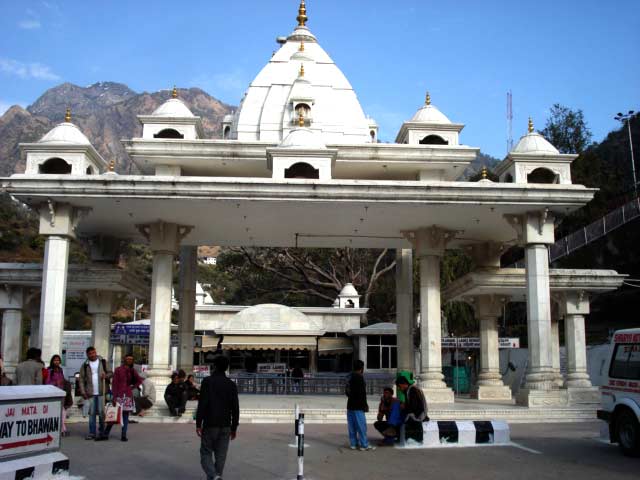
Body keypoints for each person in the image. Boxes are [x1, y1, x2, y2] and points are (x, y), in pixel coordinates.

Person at [196, 355, 239, 480]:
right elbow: (235, 408)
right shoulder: (231, 385)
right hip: (226, 424)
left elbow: (202, 404)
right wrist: (234, 427)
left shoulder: (207, 382)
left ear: (214, 366)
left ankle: (214, 476)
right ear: (226, 368)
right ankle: (216, 476)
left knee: (205, 453)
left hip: (210, 423)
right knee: (221, 455)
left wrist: (198, 423)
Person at [104, 354, 143, 441]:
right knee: (114, 414)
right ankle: (106, 433)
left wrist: (132, 387)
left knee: (125, 416)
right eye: (128, 359)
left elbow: (139, 380)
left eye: (131, 359)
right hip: (118, 395)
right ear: (124, 359)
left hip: (128, 396)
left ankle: (123, 435)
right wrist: (114, 397)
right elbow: (114, 384)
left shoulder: (133, 371)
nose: (129, 360)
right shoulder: (118, 370)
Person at [78, 346, 112, 441]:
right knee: (92, 413)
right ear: (87, 355)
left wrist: (106, 375)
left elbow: (111, 373)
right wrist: (83, 391)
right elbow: (81, 379)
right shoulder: (85, 365)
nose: (92, 355)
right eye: (90, 354)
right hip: (90, 393)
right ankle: (92, 433)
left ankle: (102, 432)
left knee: (102, 413)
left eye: (93, 353)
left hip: (102, 392)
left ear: (95, 352)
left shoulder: (103, 362)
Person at [345, 360, 374, 451]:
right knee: (361, 426)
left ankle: (353, 444)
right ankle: (364, 445)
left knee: (352, 426)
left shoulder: (349, 377)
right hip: (358, 406)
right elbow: (362, 394)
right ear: (362, 368)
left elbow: (347, 391)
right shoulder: (360, 378)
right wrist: (365, 405)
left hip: (350, 405)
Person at [396, 376, 429, 443]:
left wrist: (404, 407)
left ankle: (412, 439)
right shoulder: (408, 390)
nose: (399, 389)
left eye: (399, 386)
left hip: (418, 414)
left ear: (403, 384)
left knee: (402, 420)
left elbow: (414, 406)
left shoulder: (412, 390)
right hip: (414, 412)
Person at [45, 354, 71, 435]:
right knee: (54, 412)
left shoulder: (60, 370)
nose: (57, 362)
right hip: (53, 394)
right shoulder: (49, 370)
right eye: (55, 360)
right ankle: (61, 429)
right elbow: (47, 382)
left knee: (63, 411)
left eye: (58, 360)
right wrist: (55, 384)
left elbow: (62, 379)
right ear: (52, 361)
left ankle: (62, 428)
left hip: (61, 393)